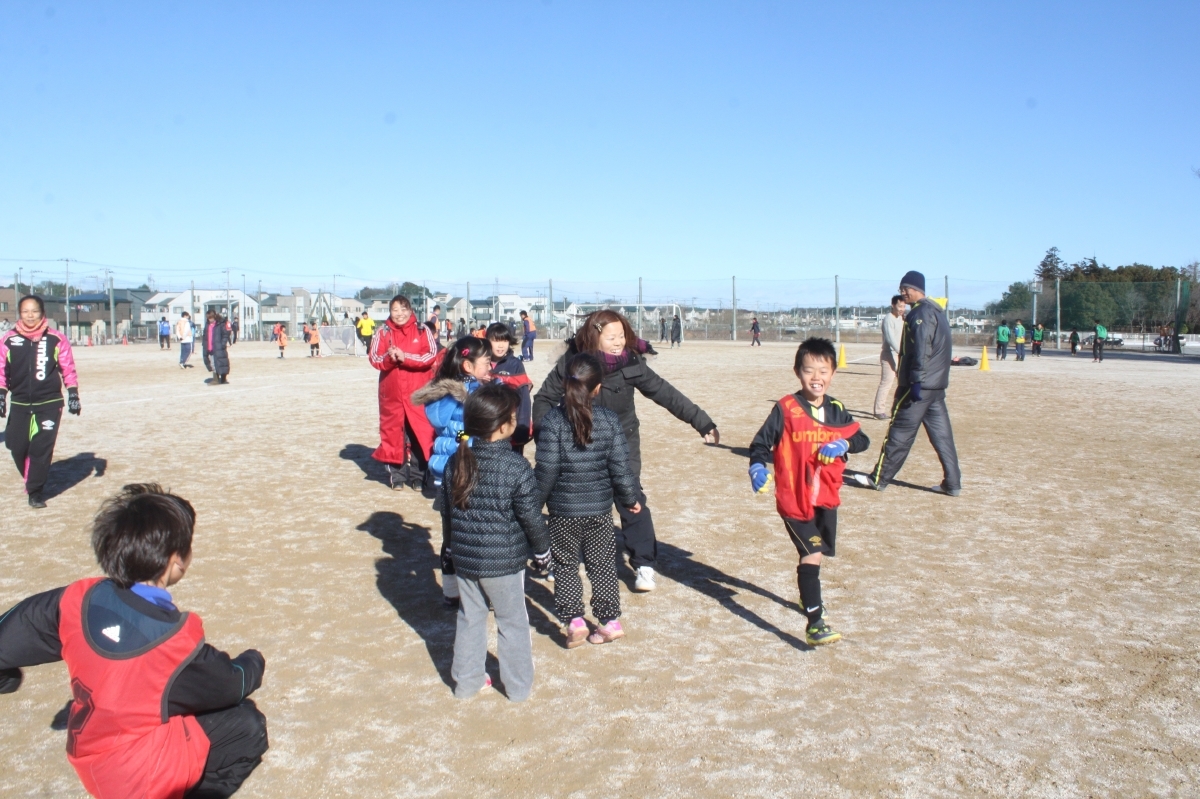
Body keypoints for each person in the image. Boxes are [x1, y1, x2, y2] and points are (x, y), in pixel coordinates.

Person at [0, 483, 269, 798]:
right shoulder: (173, 640)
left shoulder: (78, 598)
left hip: (89, 758)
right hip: (137, 777)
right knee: (246, 725)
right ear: (177, 561)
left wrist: (6, 678)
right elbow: (230, 684)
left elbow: (19, 626)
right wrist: (254, 660)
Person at [533, 310, 719, 592]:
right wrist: (546, 435)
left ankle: (644, 564)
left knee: (630, 496)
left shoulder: (631, 362)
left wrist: (701, 421)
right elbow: (544, 398)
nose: (619, 342)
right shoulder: (573, 362)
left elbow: (665, 393)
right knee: (573, 501)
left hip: (622, 441)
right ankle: (564, 561)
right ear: (594, 337)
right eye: (612, 338)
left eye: (622, 335)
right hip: (578, 441)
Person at [748, 338, 870, 646]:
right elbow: (760, 444)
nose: (816, 377)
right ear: (797, 372)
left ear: (833, 373)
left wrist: (844, 443)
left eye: (823, 371)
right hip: (794, 499)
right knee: (811, 553)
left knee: (816, 554)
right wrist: (757, 467)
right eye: (808, 370)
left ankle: (807, 596)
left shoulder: (837, 410)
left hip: (825, 497)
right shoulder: (786, 409)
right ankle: (815, 623)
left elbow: (862, 439)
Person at [442, 385, 551, 702]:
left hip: (465, 559)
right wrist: (542, 552)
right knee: (512, 622)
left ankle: (466, 683)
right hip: (504, 563)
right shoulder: (516, 467)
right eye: (514, 416)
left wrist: (450, 547)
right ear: (503, 425)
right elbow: (532, 518)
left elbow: (447, 513)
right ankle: (518, 688)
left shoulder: (455, 462)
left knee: (470, 617)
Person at [535, 353, 640, 648]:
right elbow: (621, 467)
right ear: (597, 387)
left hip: (563, 512)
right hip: (599, 511)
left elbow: (546, 470)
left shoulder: (552, 421)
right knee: (602, 564)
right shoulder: (609, 420)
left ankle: (575, 621)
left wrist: (533, 505)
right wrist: (629, 498)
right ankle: (609, 622)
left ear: (566, 384)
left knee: (566, 564)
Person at [414, 337, 493, 606]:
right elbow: (444, 426)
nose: (491, 366)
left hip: (476, 471)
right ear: (468, 366)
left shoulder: (484, 388)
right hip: (453, 472)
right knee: (453, 536)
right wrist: (469, 434)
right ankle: (452, 590)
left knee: (477, 535)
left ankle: (478, 588)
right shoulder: (446, 394)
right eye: (486, 362)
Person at [867, 271, 962, 496]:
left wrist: (916, 380)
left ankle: (878, 479)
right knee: (943, 437)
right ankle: (952, 483)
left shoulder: (920, 313)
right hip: (936, 387)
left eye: (905, 289)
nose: (903, 293)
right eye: (901, 289)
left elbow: (922, 348)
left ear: (916, 288)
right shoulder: (937, 311)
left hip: (918, 386)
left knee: (900, 431)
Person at [0, 295, 81, 508]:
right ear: (20, 313)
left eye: (34, 311)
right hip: (20, 403)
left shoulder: (56, 338)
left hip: (49, 403)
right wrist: (1, 395)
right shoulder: (8, 339)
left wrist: (73, 394)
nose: (30, 315)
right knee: (16, 446)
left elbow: (68, 367)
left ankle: (35, 492)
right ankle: (31, 476)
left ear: (42, 313)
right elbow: (1, 370)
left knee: (41, 448)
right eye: (25, 311)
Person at [369, 295, 439, 492]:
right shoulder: (383, 332)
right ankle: (397, 476)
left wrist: (405, 357)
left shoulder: (422, 330)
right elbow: (374, 358)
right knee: (394, 434)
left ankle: (419, 477)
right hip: (391, 394)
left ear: (410, 310)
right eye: (395, 310)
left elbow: (430, 355)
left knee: (420, 433)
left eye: (403, 309)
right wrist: (390, 357)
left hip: (418, 392)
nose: (399, 314)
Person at [485, 323, 533, 451]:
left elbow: (524, 399)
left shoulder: (515, 365)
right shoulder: (481, 362)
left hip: (509, 430)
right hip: (486, 428)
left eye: (505, 341)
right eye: (496, 341)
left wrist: (522, 428)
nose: (501, 345)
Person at [874, 295, 905, 419]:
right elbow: (890, 339)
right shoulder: (888, 319)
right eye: (900, 306)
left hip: (901, 354)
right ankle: (878, 410)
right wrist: (901, 352)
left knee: (903, 383)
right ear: (893, 305)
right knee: (887, 383)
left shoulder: (902, 318)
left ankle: (898, 409)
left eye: (904, 306)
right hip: (889, 354)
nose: (902, 309)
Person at [202, 311, 232, 385]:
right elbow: (205, 335)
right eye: (208, 318)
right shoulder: (207, 325)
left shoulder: (220, 324)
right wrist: (204, 344)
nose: (210, 319)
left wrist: (222, 344)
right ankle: (216, 379)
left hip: (218, 347)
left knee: (222, 362)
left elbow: (225, 334)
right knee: (213, 363)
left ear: (214, 316)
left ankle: (223, 378)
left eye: (211, 317)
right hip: (210, 347)